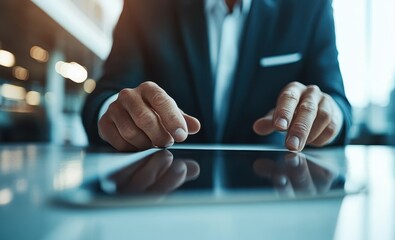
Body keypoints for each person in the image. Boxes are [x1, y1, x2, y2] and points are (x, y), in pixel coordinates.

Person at [82, 0, 352, 152]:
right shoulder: (145, 6)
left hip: (274, 193)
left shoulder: (309, 7)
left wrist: (326, 115)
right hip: (163, 194)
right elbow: (105, 96)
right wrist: (119, 116)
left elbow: (336, 101)